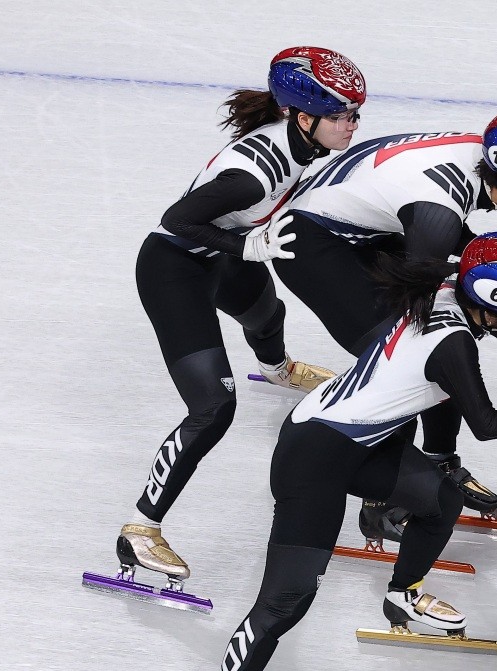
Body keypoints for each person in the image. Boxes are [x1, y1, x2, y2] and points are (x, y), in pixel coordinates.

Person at [190, 232, 497, 671]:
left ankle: (404, 594)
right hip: (313, 460)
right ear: (490, 304)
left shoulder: (447, 288)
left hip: (350, 442)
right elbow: (487, 424)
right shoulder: (454, 345)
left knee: (442, 498)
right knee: (286, 600)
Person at [113, 48, 367, 592]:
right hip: (173, 269)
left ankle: (278, 369)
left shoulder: (302, 142)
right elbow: (175, 219)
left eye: (354, 113)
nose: (351, 124)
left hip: (220, 255)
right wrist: (247, 246)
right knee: (214, 408)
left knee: (267, 313)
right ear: (302, 116)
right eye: (340, 115)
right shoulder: (254, 176)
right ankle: (140, 528)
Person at [273, 107, 497, 536]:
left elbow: (478, 299)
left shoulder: (475, 166)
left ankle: (439, 461)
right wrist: (489, 264)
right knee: (412, 355)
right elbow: (463, 303)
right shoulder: (439, 210)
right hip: (313, 246)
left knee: (449, 340)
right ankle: (378, 502)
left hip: (362, 222)